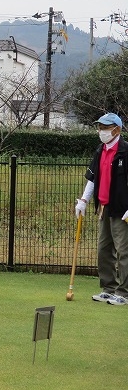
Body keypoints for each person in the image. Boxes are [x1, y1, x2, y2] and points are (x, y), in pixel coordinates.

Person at [75, 112, 128, 305]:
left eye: (105, 127)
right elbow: (93, 178)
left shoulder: (125, 151)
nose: (101, 131)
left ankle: (124, 293)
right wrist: (84, 201)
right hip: (104, 207)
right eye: (100, 127)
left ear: (117, 129)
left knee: (124, 251)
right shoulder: (100, 150)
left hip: (123, 210)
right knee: (104, 249)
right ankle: (108, 288)